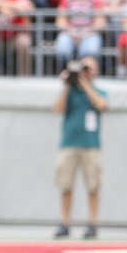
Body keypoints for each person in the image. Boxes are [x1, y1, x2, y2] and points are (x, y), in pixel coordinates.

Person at [53, 56, 108, 239]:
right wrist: (68, 84)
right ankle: (65, 223)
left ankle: (92, 223)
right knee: (65, 185)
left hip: (91, 145)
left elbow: (101, 105)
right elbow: (58, 108)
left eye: (88, 68)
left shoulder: (99, 91)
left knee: (93, 185)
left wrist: (85, 85)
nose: (85, 72)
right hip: (69, 144)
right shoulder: (71, 92)